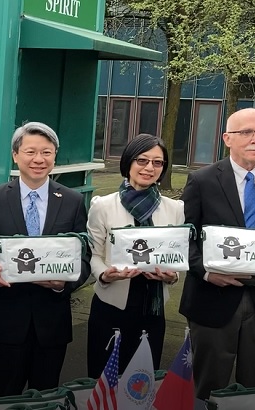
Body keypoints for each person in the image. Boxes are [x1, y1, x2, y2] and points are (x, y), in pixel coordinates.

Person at [180, 108, 255, 399]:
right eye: (247, 132)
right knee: (207, 388)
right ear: (227, 138)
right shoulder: (202, 180)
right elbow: (183, 238)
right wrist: (206, 271)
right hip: (212, 300)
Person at [0, 122, 91, 396]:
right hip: (8, 318)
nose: (38, 159)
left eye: (46, 152)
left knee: (46, 397)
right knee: (5, 396)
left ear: (54, 156)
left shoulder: (73, 201)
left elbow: (84, 255)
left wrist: (65, 283)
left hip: (52, 321)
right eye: (30, 152)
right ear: (16, 155)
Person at [85, 134, 183, 378]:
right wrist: (104, 275)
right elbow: (94, 255)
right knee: (103, 383)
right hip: (111, 308)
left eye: (157, 163)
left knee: (142, 385)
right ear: (128, 162)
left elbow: (175, 257)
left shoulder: (176, 210)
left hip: (152, 312)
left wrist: (172, 277)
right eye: (142, 160)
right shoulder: (103, 206)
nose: (149, 168)